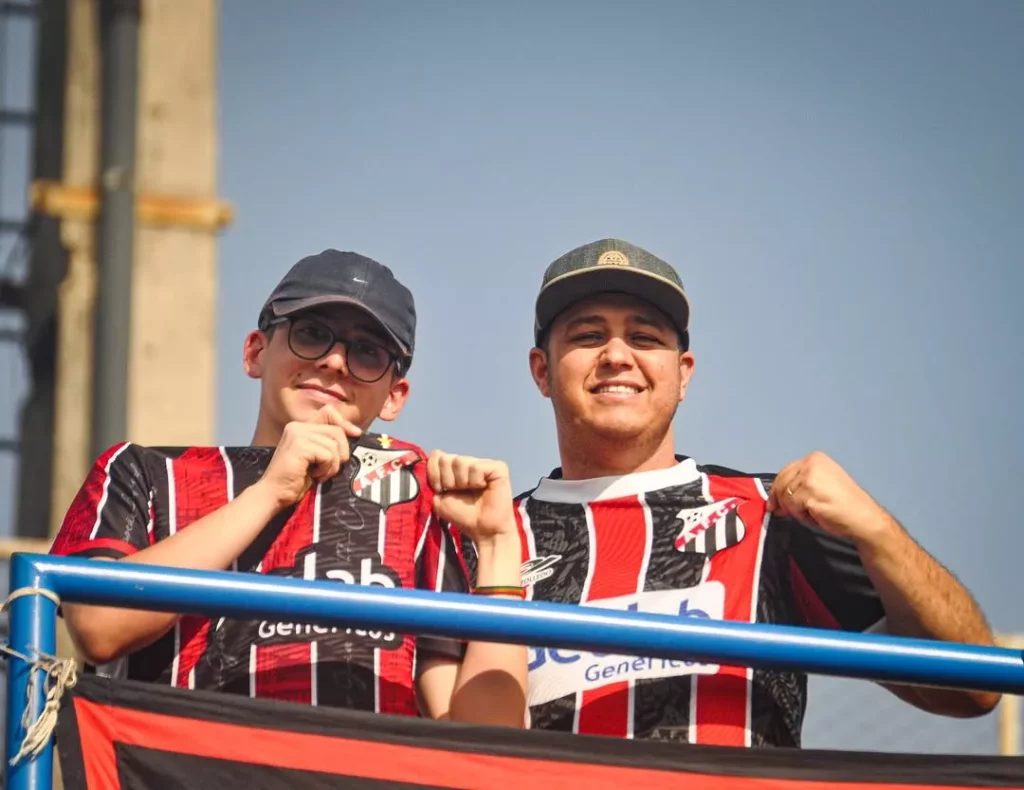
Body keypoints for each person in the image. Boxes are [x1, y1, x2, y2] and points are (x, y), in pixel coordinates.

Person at [512, 237, 998, 747]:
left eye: (644, 337)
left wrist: (878, 531)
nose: (617, 355)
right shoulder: (488, 542)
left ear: (683, 374)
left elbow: (973, 690)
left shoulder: (775, 514)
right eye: (589, 336)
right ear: (543, 371)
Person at [49, 249, 526, 726]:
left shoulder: (418, 499)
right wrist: (269, 490)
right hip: (178, 759)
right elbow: (96, 625)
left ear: (394, 397)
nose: (335, 361)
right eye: (312, 333)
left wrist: (498, 544)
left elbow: (483, 733)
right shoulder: (144, 470)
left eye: (368, 352)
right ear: (255, 352)